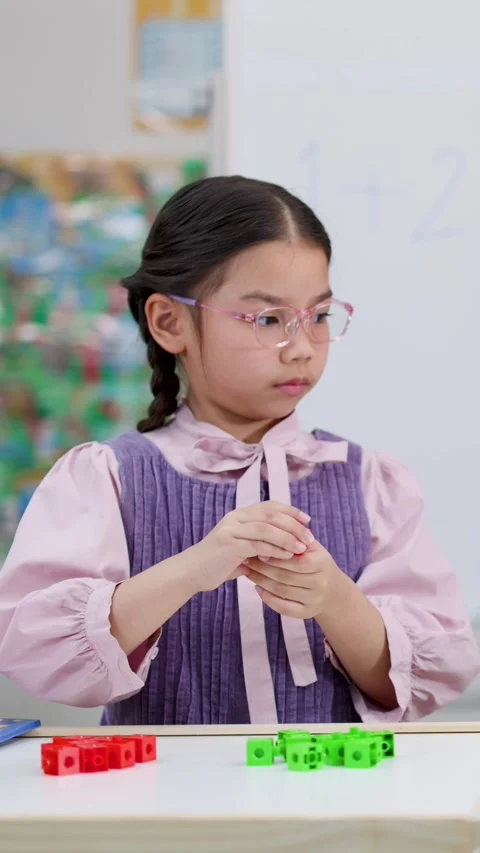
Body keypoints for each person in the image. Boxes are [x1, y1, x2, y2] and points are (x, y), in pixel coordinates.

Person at [0, 176, 478, 725]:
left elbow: (419, 682)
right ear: (169, 322)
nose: (301, 349)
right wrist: (191, 570)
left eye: (319, 317)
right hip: (167, 783)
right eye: (267, 319)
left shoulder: (371, 480)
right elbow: (36, 654)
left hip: (335, 782)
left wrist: (334, 598)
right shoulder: (106, 479)